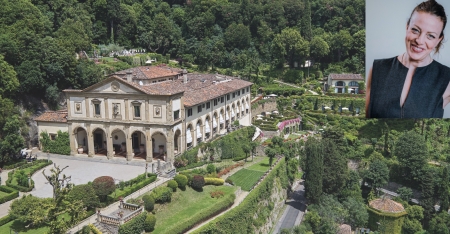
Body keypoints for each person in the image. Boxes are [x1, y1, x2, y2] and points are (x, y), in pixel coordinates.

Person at [366, 0, 450, 118]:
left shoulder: (446, 77)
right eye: (415, 30)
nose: (419, 41)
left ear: (438, 40)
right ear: (407, 27)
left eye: (430, 36)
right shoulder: (378, 69)